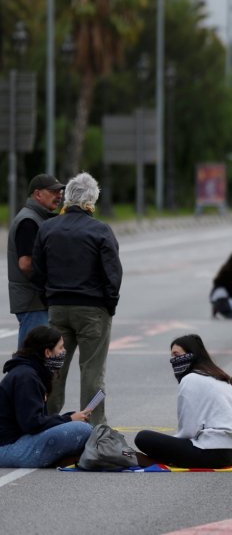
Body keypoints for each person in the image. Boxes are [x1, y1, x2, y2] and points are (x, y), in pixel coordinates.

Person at [32, 172, 121, 426]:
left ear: (67, 199)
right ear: (92, 200)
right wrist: (109, 305)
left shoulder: (48, 229)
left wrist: (50, 299)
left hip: (58, 308)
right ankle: (94, 428)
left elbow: (38, 272)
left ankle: (47, 422)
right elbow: (113, 274)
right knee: (93, 373)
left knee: (54, 370)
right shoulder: (100, 230)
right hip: (93, 310)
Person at [134, 335, 232, 468]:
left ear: (191, 355)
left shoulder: (190, 379)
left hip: (214, 453)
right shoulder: (219, 377)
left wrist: (170, 446)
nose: (173, 360)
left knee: (143, 437)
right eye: (172, 356)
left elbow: (188, 431)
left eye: (176, 354)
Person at [0, 326, 93, 468]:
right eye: (61, 348)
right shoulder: (26, 377)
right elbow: (32, 424)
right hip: (8, 448)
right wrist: (68, 420)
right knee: (82, 430)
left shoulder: (29, 372)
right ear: (47, 352)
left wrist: (68, 418)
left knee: (78, 427)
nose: (64, 352)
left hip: (15, 441)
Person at [8, 174, 64, 347]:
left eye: (60, 191)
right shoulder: (28, 221)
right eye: (53, 191)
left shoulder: (38, 217)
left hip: (36, 300)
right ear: (37, 194)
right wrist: (47, 284)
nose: (59, 195)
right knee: (31, 355)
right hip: (32, 301)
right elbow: (26, 264)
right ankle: (21, 375)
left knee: (37, 354)